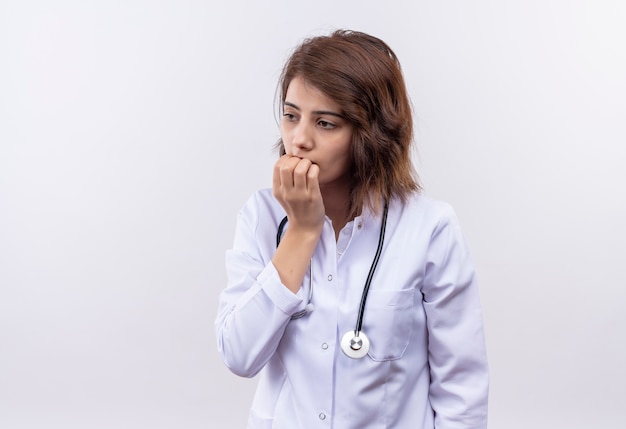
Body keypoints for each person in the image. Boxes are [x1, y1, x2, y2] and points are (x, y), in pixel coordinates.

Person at [215, 29, 488, 429]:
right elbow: (239, 355)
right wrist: (302, 233)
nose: (299, 140)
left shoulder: (430, 228)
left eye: (325, 123)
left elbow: (462, 389)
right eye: (291, 116)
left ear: (372, 133)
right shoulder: (261, 216)